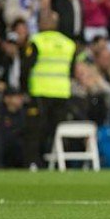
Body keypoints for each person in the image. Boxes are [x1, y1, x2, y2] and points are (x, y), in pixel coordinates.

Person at [21, 10, 77, 168]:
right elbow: (71, 71)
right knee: (57, 132)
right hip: (61, 93)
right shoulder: (68, 44)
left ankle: (33, 163)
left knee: (35, 131)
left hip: (40, 92)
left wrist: (24, 89)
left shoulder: (37, 41)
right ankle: (61, 164)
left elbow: (26, 67)